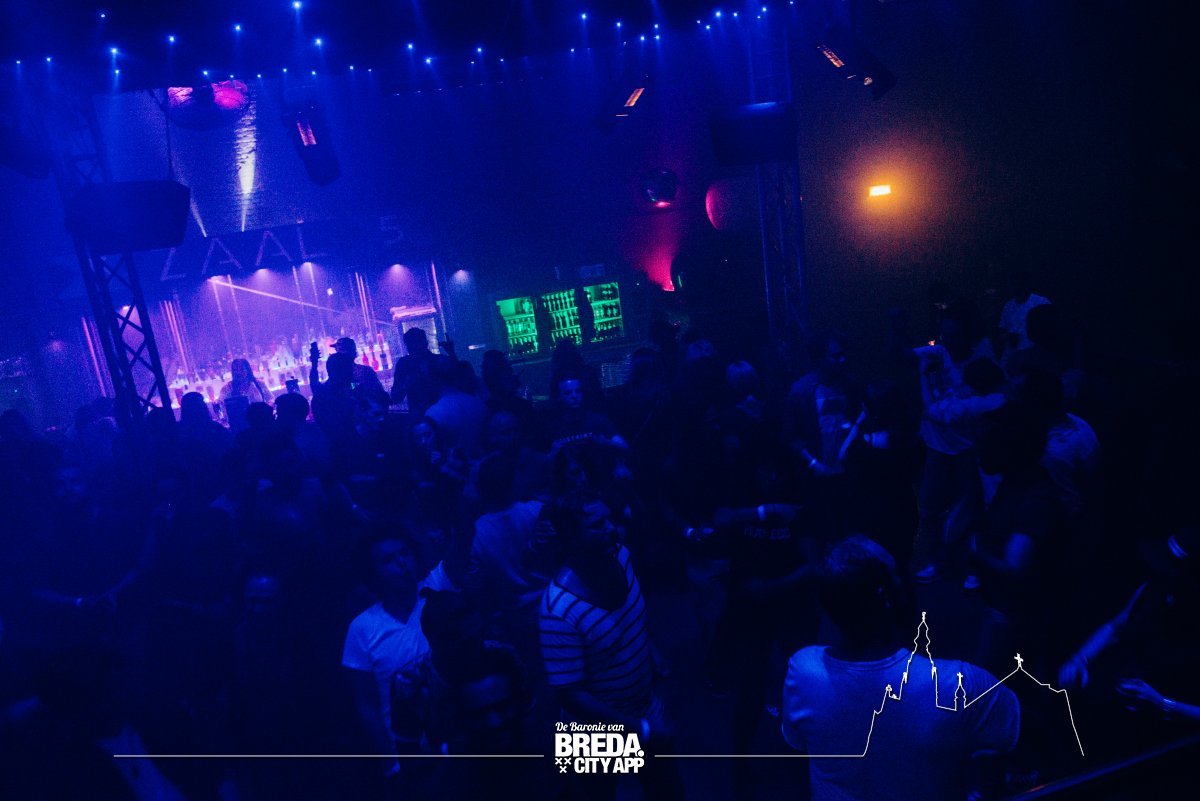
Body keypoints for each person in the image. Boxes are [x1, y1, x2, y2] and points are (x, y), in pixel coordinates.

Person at [782, 536, 1020, 801]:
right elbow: (1017, 735)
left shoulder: (803, 671)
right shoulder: (957, 684)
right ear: (887, 596)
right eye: (896, 575)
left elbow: (797, 741)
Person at [341, 532, 449, 779]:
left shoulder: (438, 594)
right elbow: (367, 704)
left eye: (404, 553)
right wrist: (390, 762)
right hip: (408, 753)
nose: (402, 562)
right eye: (389, 559)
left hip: (458, 741)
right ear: (374, 573)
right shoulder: (362, 628)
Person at [391, 327, 440, 418]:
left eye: (415, 344)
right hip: (438, 413)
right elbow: (395, 397)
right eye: (410, 345)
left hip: (424, 415)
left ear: (425, 343)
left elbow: (395, 398)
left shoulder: (404, 364)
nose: (413, 348)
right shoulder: (404, 364)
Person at [998, 270, 1050, 354]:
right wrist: (1007, 337)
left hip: (1036, 353)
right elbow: (1002, 329)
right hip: (1012, 354)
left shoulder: (1041, 302)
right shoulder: (1008, 306)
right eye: (1011, 284)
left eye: (1016, 283)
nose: (1012, 286)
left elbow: (1050, 328)